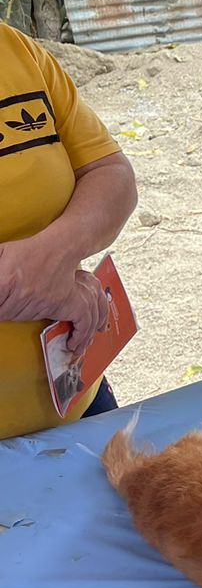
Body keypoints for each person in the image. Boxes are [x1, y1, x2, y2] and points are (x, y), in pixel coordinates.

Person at [0, 22, 138, 439]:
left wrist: (55, 253)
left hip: (77, 400)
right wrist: (39, 284)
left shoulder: (16, 50)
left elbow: (111, 173)